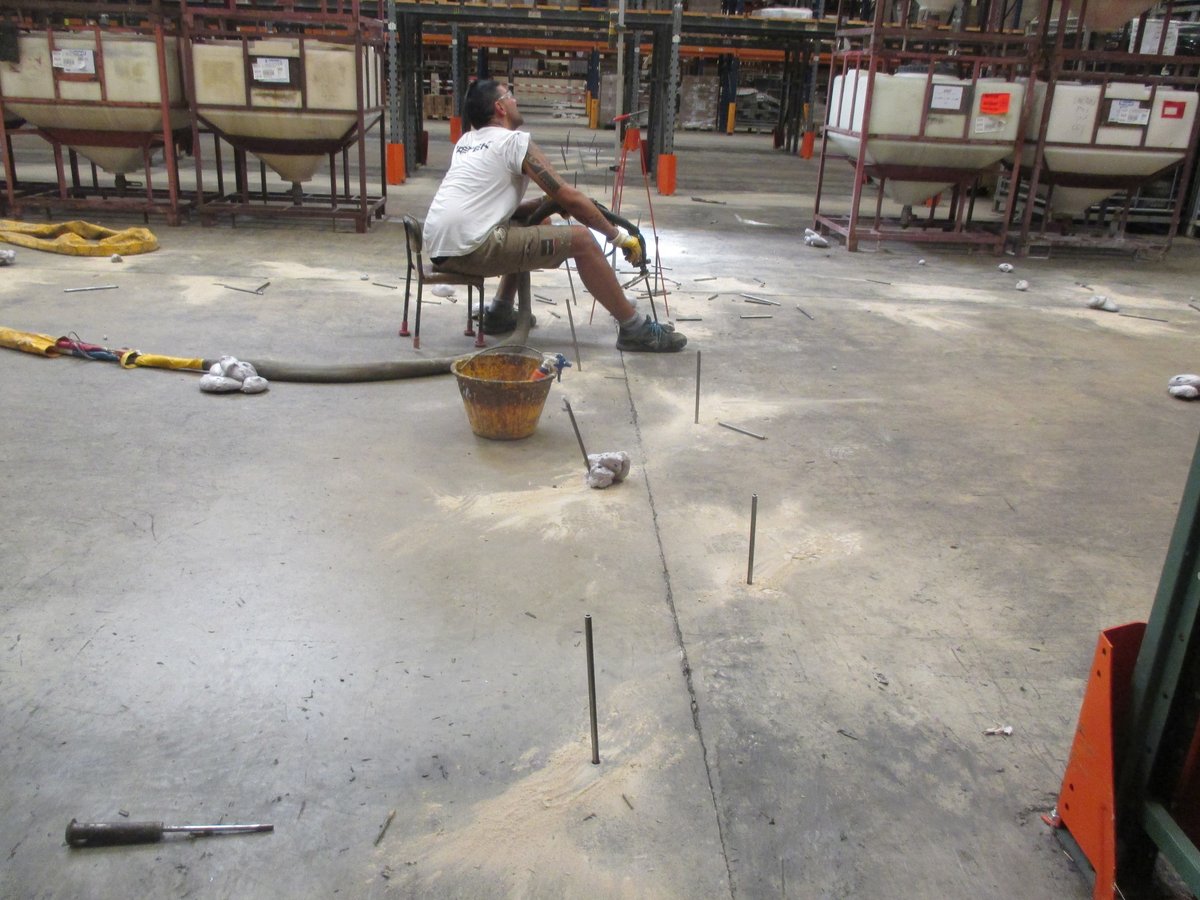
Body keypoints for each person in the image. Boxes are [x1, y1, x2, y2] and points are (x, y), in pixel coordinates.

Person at [423, 79, 687, 353]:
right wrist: (619, 237)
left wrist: (541, 205)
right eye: (510, 96)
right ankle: (635, 329)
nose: (515, 101)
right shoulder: (513, 142)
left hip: (441, 248)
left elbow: (484, 206)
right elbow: (567, 196)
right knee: (582, 240)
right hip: (473, 249)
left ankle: (500, 311)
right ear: (499, 107)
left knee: (537, 220)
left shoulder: (466, 142)